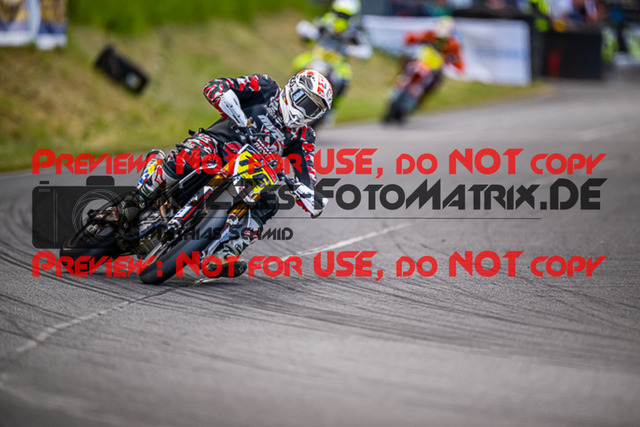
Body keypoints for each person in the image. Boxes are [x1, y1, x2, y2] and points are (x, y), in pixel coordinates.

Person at [126, 70, 333, 277]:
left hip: (248, 173)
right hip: (216, 146)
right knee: (193, 153)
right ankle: (142, 192)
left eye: (313, 109)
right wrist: (223, 98)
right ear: (292, 89)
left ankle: (223, 253)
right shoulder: (265, 87)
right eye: (303, 100)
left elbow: (307, 171)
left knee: (269, 203)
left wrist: (309, 194)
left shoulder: (304, 136)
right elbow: (216, 85)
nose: (304, 111)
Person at [293, 0, 371, 124]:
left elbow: (365, 49)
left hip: (338, 62)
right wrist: (307, 32)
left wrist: (352, 50)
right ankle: (288, 93)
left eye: (346, 15)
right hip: (318, 55)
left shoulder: (356, 29)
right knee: (299, 65)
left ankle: (331, 108)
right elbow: (312, 32)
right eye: (339, 13)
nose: (341, 17)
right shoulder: (325, 20)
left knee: (344, 80)